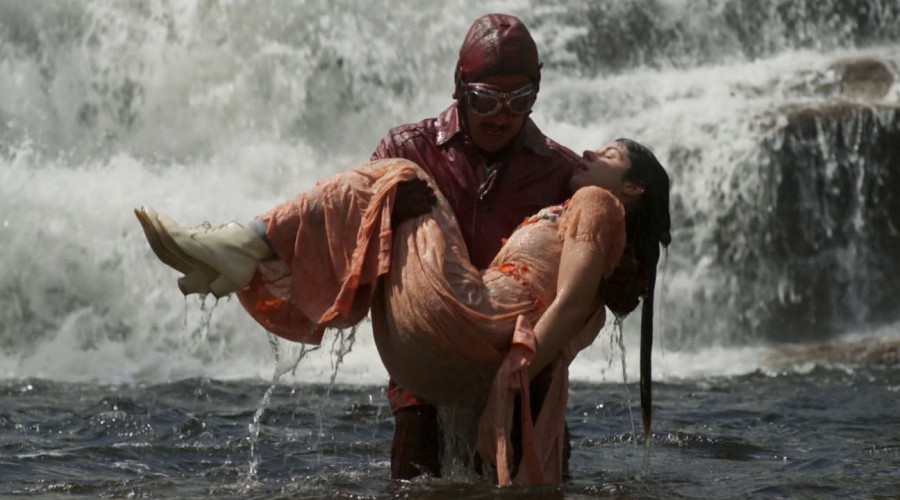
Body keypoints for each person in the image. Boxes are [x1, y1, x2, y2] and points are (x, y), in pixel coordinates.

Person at [133, 137, 671, 485]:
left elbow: (570, 300)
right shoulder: (605, 243)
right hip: (454, 357)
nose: (589, 154)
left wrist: (512, 380)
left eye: (608, 155)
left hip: (461, 324)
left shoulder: (599, 206)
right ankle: (238, 258)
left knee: (402, 176)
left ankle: (241, 246)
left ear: (633, 188)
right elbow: (573, 308)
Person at [368, 13, 584, 480]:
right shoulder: (407, 151)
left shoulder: (562, 174)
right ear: (459, 87)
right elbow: (349, 243)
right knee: (414, 487)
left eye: (519, 100)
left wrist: (626, 270)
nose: (502, 115)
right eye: (486, 99)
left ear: (538, 90)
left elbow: (594, 292)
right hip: (425, 372)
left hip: (525, 375)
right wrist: (381, 210)